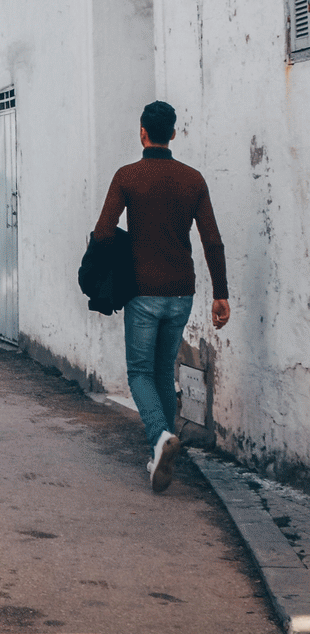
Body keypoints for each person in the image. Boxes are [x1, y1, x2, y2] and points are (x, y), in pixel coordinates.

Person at [92, 99, 230, 493]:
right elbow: (212, 241)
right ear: (173, 133)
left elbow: (103, 231)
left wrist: (103, 275)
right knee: (162, 372)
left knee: (139, 373)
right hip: (181, 293)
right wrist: (220, 294)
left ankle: (159, 438)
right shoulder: (193, 179)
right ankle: (161, 456)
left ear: (142, 132)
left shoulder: (127, 176)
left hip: (142, 292)